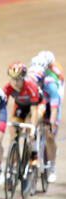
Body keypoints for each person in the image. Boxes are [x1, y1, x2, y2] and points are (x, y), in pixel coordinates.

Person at [3, 62, 39, 167]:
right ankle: (11, 167)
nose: (15, 82)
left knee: (29, 127)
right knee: (13, 132)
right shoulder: (8, 87)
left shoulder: (30, 86)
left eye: (17, 79)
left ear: (23, 78)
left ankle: (33, 152)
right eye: (12, 79)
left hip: (33, 108)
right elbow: (1, 107)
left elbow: (34, 110)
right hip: (20, 107)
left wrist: (33, 127)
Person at [37, 50, 63, 182]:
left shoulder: (55, 74)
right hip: (41, 98)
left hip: (53, 98)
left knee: (50, 135)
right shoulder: (35, 71)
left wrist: (52, 123)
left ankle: (52, 166)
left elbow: (57, 99)